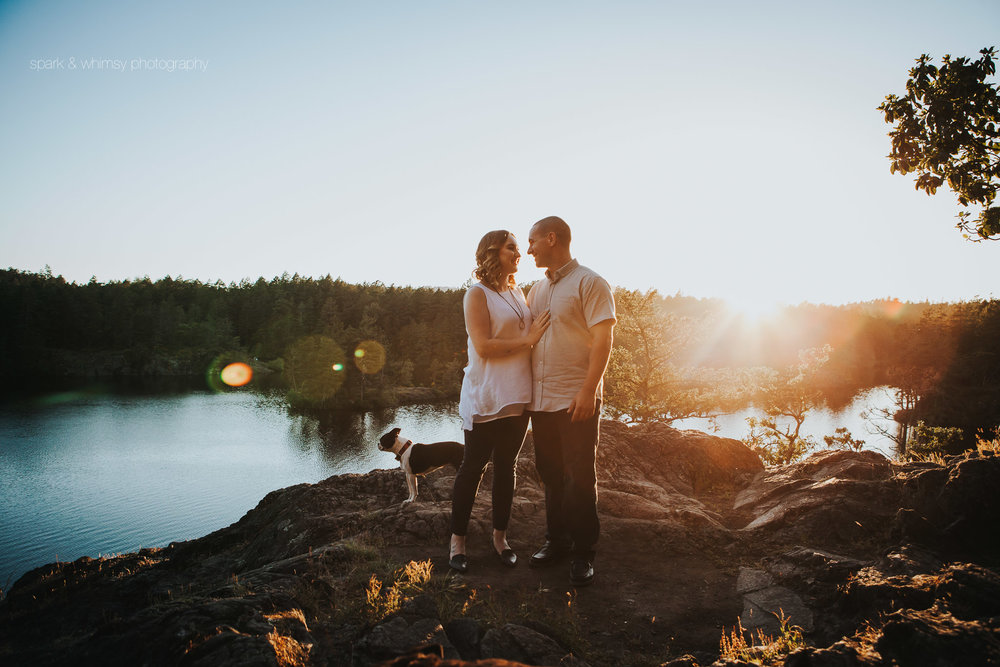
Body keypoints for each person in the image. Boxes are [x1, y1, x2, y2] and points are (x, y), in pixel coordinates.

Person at [449, 230, 551, 573]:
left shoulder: (516, 291)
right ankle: (457, 543)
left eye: (520, 249)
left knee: (507, 468)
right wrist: (529, 340)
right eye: (512, 248)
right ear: (493, 252)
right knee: (472, 468)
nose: (519, 254)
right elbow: (484, 346)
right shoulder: (476, 295)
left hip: (518, 394)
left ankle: (500, 539)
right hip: (487, 394)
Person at [524, 215, 615, 587]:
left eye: (532, 241)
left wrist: (588, 390)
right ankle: (557, 542)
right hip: (541, 402)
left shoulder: (590, 283)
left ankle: (583, 552)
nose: (528, 249)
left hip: (576, 399)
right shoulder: (536, 290)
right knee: (551, 476)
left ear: (551, 238)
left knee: (579, 478)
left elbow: (603, 340)